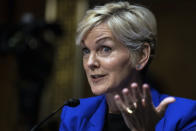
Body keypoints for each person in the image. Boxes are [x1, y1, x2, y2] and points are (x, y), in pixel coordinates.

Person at [59, 1, 196, 131]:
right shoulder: (75, 115)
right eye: (86, 51)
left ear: (141, 55)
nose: (90, 63)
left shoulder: (186, 115)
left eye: (105, 49)